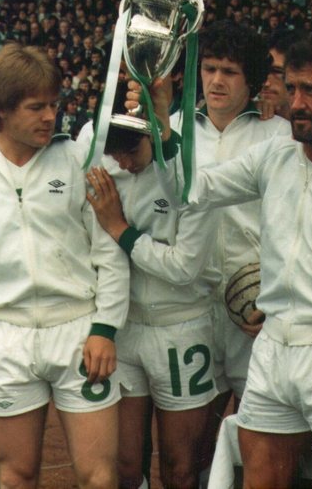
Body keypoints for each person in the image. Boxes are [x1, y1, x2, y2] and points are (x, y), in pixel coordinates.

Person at [132, 33, 312, 487]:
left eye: (311, 91)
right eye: (291, 89)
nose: (296, 103)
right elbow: (190, 192)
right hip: (271, 348)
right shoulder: (276, 154)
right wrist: (161, 125)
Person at [0, 43, 129, 488]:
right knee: (16, 476)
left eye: (54, 105)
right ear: (0, 111)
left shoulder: (79, 161)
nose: (50, 116)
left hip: (78, 333)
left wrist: (105, 328)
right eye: (36, 107)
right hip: (7, 339)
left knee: (99, 477)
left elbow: (109, 249)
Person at [169, 21, 290, 476]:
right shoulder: (173, 130)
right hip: (188, 306)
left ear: (255, 81)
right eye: (210, 69)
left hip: (255, 310)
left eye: (231, 72)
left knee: (263, 435)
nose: (217, 80)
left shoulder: (280, 134)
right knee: (192, 443)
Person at [85, 123, 220, 489]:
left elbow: (183, 268)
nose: (124, 164)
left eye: (133, 153)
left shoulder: (193, 171)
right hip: (126, 329)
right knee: (126, 466)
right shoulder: (95, 152)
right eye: (116, 155)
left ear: (154, 137)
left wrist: (120, 229)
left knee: (180, 467)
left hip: (182, 327)